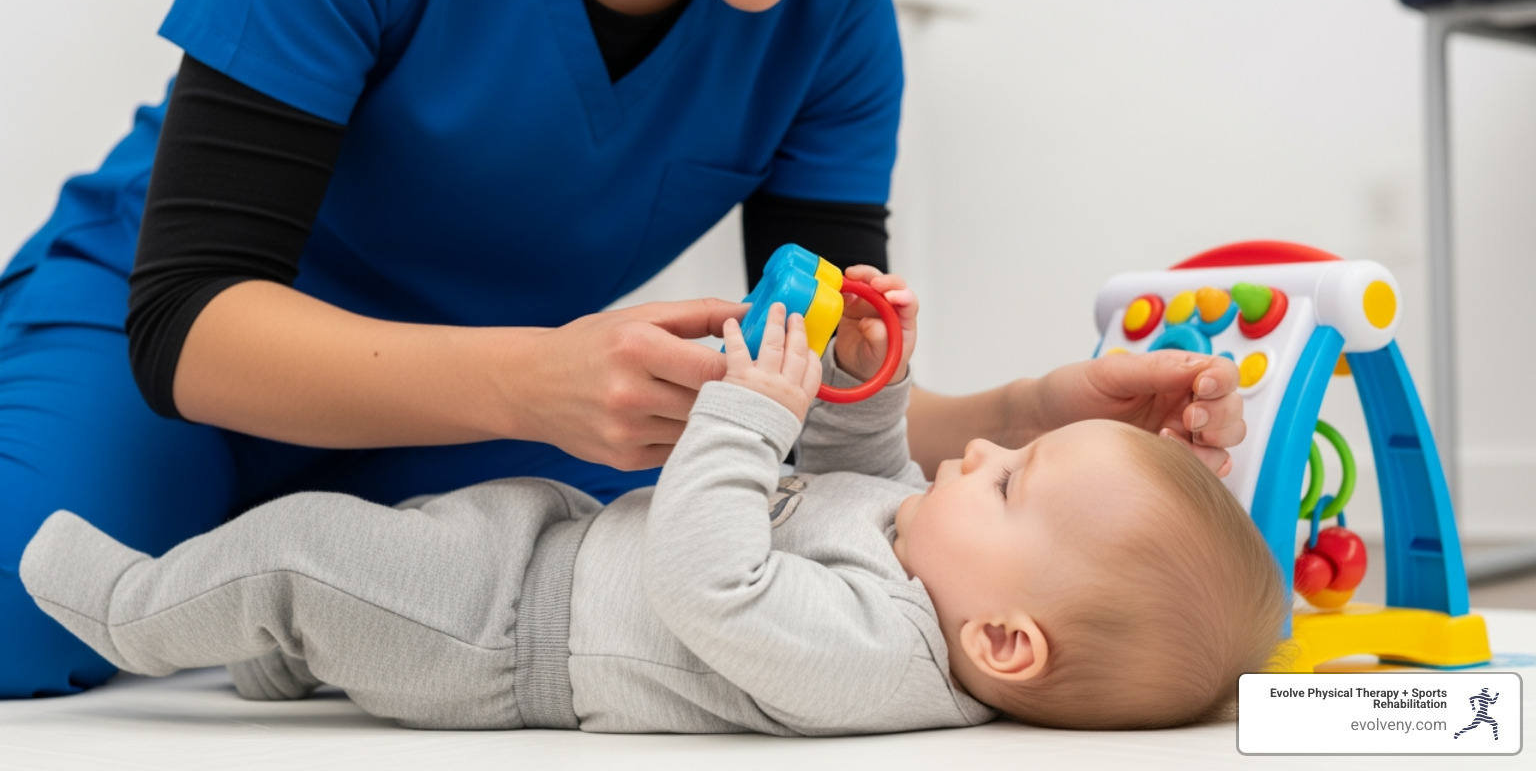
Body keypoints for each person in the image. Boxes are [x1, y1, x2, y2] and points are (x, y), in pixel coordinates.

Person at [0, 0, 1247, 698]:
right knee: (21, 611)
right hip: (166, 346)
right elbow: (185, 326)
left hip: (479, 411)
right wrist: (538, 380)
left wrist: (1031, 418)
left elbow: (815, 405)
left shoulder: (836, 25)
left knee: (662, 573)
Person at [20, 277, 1286, 733]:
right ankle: (286, 660)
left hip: (498, 637)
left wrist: (752, 415)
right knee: (344, 582)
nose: (977, 462)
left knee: (305, 558)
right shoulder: (929, 564)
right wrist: (858, 382)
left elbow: (712, 583)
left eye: (1006, 481)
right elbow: (863, 466)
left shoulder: (879, 662)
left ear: (1005, 641)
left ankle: (126, 605)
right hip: (542, 546)